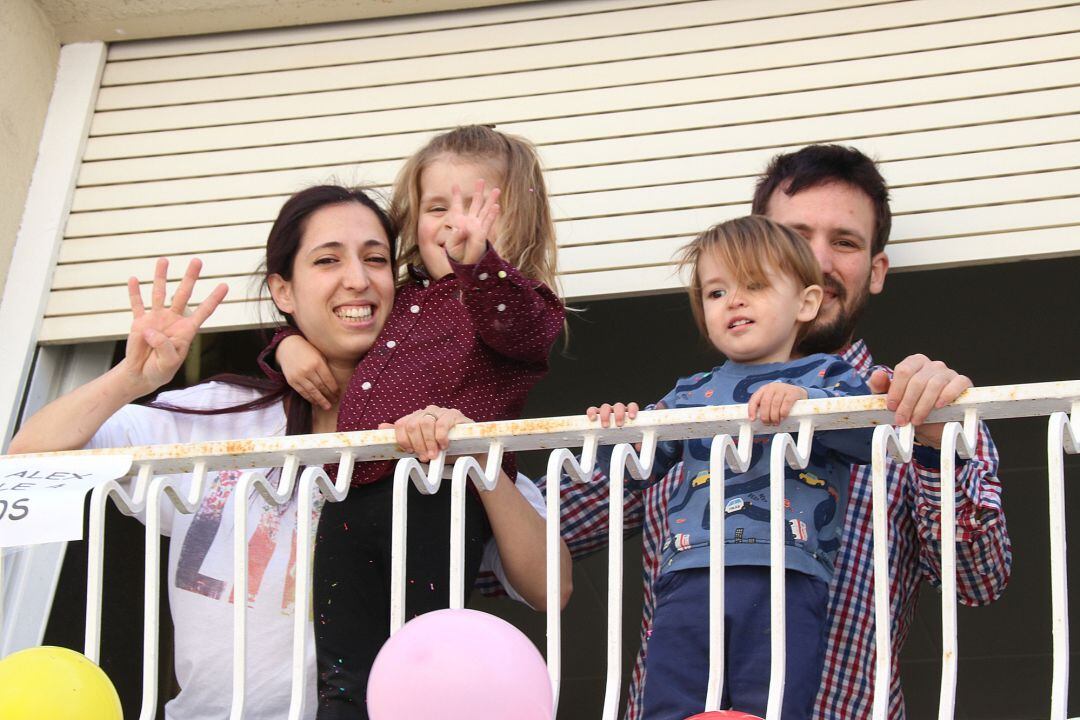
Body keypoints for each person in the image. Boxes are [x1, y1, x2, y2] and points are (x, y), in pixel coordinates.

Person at [9, 185, 571, 720]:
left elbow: (551, 587)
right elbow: (31, 454)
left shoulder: (425, 431)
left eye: (376, 260)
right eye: (328, 261)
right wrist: (131, 378)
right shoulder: (219, 414)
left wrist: (473, 454)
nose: (357, 280)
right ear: (283, 291)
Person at [543, 145, 1009, 719]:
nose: (816, 258)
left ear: (876, 270)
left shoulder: (918, 405)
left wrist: (934, 440)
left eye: (844, 242)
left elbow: (980, 580)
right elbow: (541, 537)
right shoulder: (691, 405)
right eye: (792, 236)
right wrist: (458, 429)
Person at [264, 126, 566, 718]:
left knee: (421, 652)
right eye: (437, 208)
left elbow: (522, 329)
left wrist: (479, 264)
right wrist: (285, 345)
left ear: (517, 223)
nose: (456, 224)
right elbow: (331, 318)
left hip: (438, 498)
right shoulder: (400, 300)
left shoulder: (521, 306)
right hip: (349, 498)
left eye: (478, 208)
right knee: (343, 667)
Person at [588, 216, 874, 719]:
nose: (733, 301)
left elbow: (869, 437)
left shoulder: (830, 375)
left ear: (806, 303)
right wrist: (615, 430)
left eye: (755, 285)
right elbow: (629, 469)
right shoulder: (690, 393)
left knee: (771, 701)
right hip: (688, 570)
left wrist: (808, 402)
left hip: (787, 573)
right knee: (671, 698)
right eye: (716, 292)